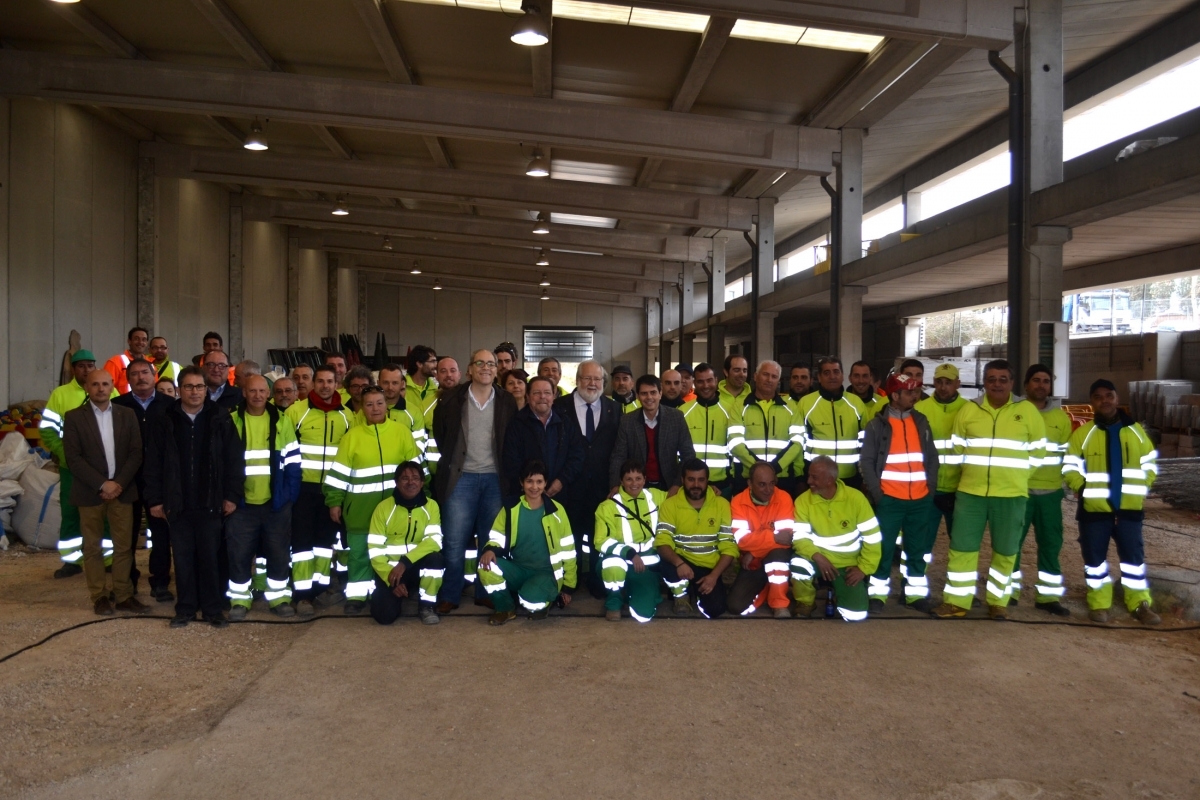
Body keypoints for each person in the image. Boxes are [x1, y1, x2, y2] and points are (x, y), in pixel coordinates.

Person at [933, 360, 1046, 620]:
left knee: (1006, 551)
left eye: (1003, 379)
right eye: (992, 379)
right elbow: (957, 448)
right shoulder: (969, 411)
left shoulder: (1026, 411)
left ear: (1011, 383)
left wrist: (1017, 476)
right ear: (984, 382)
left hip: (1011, 495)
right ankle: (956, 602)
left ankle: (998, 602)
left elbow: (1039, 451)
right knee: (961, 549)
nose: (997, 384)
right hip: (971, 493)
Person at [144, 366, 242, 629]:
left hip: (211, 503)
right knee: (184, 559)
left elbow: (234, 461)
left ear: (205, 390)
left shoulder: (220, 417)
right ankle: (185, 608)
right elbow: (153, 463)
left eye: (199, 387)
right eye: (189, 386)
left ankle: (212, 609)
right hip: (178, 505)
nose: (195, 391)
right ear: (179, 390)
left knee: (210, 559)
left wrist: (231, 496)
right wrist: (155, 500)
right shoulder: (166, 419)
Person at [1063, 379, 1159, 625]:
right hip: (1094, 512)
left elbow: (1149, 464)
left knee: (1133, 561)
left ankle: (1139, 604)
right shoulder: (1083, 434)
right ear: (1092, 402)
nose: (1104, 400)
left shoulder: (1137, 431)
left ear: (1117, 398)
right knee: (1095, 561)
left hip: (1129, 510)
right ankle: (1099, 604)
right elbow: (1070, 466)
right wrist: (1081, 488)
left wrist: (1141, 488)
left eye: (1109, 395)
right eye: (1098, 396)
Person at [432, 350, 516, 613]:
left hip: (494, 479)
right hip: (461, 479)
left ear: (496, 370)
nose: (486, 368)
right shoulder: (451, 399)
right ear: (469, 369)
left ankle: (484, 591)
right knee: (455, 541)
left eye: (491, 364)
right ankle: (450, 593)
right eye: (480, 363)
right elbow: (441, 435)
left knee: (490, 541)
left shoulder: (506, 400)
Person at [324, 386, 419, 615]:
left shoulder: (401, 432)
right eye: (369, 404)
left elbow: (416, 470)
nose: (375, 408)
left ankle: (394, 589)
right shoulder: (351, 438)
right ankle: (356, 596)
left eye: (379, 403)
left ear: (387, 405)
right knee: (359, 554)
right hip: (360, 510)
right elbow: (338, 474)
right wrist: (335, 501)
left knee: (394, 551)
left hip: (394, 510)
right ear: (361, 409)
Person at [63, 370, 146, 616]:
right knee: (92, 548)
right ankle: (99, 597)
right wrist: (102, 484)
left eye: (105, 384)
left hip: (122, 491)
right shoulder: (74, 417)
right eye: (95, 384)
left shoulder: (127, 414)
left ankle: (123, 596)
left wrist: (118, 483)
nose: (101, 388)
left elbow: (136, 453)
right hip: (90, 493)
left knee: (123, 547)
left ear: (112, 387)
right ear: (87, 387)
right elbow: (73, 458)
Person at [859, 374, 940, 613]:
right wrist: (879, 494)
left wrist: (929, 489)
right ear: (894, 396)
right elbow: (866, 461)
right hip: (889, 500)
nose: (915, 396)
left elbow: (932, 458)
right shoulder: (876, 425)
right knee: (882, 550)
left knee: (917, 549)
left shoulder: (921, 420)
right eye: (909, 392)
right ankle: (877, 596)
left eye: (916, 391)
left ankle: (914, 596)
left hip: (919, 499)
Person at [226, 375, 301, 620]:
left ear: (268, 394)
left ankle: (279, 597)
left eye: (262, 391)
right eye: (252, 391)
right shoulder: (232, 420)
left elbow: (292, 463)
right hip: (241, 504)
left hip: (275, 504)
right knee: (239, 554)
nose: (258, 395)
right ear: (244, 393)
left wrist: (288, 496)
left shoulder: (281, 420)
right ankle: (239, 599)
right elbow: (223, 463)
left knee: (278, 552)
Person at [286, 364, 353, 615]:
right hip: (304, 489)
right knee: (302, 542)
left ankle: (320, 588)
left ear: (337, 384)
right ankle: (302, 595)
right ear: (314, 384)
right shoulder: (296, 412)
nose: (326, 386)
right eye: (321, 381)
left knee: (325, 543)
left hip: (331, 490)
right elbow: (287, 452)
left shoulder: (347, 416)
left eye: (330, 381)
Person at [479, 460, 577, 625]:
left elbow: (569, 551)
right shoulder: (511, 508)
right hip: (518, 569)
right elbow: (497, 536)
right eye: (529, 481)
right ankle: (505, 608)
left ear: (546, 483)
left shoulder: (557, 511)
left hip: (546, 574)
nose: (534, 487)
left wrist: (568, 587)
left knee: (530, 601)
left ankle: (544, 600)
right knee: (486, 567)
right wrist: (490, 550)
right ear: (521, 483)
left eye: (539, 482)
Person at [553, 360, 620, 596]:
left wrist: (615, 482)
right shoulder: (559, 407)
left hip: (602, 487)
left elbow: (618, 450)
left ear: (603, 382)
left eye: (597, 379)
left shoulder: (615, 409)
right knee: (569, 536)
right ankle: (570, 581)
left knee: (597, 536)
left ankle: (596, 579)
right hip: (569, 486)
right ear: (577, 380)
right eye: (587, 378)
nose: (592, 383)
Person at [40, 349, 109, 577]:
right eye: (81, 366)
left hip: (104, 468)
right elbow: (48, 431)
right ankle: (72, 561)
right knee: (71, 513)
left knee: (107, 512)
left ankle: (108, 560)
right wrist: (67, 455)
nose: (87, 370)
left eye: (90, 365)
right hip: (72, 469)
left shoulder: (110, 389)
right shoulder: (60, 395)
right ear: (73, 369)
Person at [790, 456, 882, 622]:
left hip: (848, 565)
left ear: (830, 480)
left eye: (815, 477)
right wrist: (818, 557)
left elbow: (873, 538)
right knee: (798, 564)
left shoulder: (856, 499)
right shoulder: (803, 501)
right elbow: (799, 538)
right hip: (818, 560)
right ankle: (805, 603)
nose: (809, 481)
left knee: (855, 616)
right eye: (809, 476)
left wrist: (863, 569)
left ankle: (842, 592)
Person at [1012, 364, 1071, 615]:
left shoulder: (1061, 418)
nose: (1041, 385)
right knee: (1011, 545)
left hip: (1050, 493)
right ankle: (1008, 593)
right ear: (1026, 385)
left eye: (1045, 381)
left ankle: (1048, 597)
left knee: (1050, 545)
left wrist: (1066, 485)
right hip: (1019, 491)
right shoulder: (1014, 413)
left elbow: (1068, 455)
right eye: (1036, 380)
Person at [113, 358, 174, 601]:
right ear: (128, 380)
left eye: (145, 373)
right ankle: (127, 583)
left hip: (159, 483)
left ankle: (160, 583)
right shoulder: (117, 406)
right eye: (135, 374)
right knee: (125, 536)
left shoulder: (170, 406)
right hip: (127, 480)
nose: (140, 377)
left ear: (154, 376)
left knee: (161, 536)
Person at [654, 458, 735, 618]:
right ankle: (681, 594)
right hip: (680, 563)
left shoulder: (722, 504)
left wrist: (714, 577)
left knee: (715, 610)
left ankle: (696, 592)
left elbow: (729, 547)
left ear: (707, 481)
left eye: (701, 480)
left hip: (708, 567)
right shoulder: (670, 505)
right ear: (683, 480)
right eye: (691, 479)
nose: (696, 485)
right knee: (665, 564)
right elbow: (662, 542)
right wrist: (679, 563)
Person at [367, 461, 444, 626]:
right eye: (405, 478)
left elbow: (434, 541)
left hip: (416, 566)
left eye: (416, 478)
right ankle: (402, 593)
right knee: (384, 617)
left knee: (436, 559)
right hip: (392, 571)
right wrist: (391, 580)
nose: (411, 482)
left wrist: (405, 562)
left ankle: (427, 606)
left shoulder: (431, 506)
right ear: (396, 482)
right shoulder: (383, 508)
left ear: (422, 482)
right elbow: (375, 551)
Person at [595, 459, 665, 622]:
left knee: (644, 615)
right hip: (619, 560)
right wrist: (630, 554)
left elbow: (682, 497)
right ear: (621, 481)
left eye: (638, 478)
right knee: (613, 566)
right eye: (629, 479)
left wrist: (710, 490)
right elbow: (601, 541)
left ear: (645, 479)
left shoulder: (655, 496)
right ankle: (614, 601)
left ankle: (632, 591)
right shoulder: (607, 506)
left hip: (645, 565)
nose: (634, 483)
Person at [728, 462, 798, 618]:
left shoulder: (784, 498)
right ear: (750, 484)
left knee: (778, 556)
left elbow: (786, 540)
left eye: (772, 483)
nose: (768, 490)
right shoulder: (738, 502)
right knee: (735, 606)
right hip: (752, 564)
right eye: (762, 485)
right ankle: (767, 586)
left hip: (772, 557)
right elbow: (742, 541)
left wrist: (753, 551)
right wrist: (772, 536)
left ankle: (779, 604)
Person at [609, 375, 695, 493]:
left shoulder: (676, 417)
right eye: (644, 393)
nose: (649, 397)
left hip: (670, 486)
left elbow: (688, 454)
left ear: (660, 393)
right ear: (638, 396)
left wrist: (677, 484)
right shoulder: (627, 421)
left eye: (653, 392)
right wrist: (615, 485)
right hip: (636, 488)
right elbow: (619, 456)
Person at [502, 376, 584, 500]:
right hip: (525, 496)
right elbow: (511, 460)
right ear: (528, 397)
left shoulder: (566, 422)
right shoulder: (516, 424)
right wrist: (532, 485)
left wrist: (561, 480)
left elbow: (577, 455)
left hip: (560, 493)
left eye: (547, 393)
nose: (542, 397)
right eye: (536, 393)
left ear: (554, 396)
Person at [913, 364, 968, 541]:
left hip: (960, 488)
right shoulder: (920, 410)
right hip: (929, 487)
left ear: (957, 383)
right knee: (922, 540)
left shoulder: (969, 410)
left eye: (948, 382)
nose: (943, 387)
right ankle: (917, 569)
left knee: (961, 542)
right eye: (939, 382)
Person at [796, 356, 868, 489]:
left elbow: (866, 443)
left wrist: (864, 476)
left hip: (850, 477)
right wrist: (801, 477)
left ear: (843, 376)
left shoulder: (856, 403)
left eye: (836, 372)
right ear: (819, 377)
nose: (832, 376)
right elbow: (799, 444)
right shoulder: (806, 403)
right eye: (827, 373)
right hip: (817, 477)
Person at [735, 360, 801, 495]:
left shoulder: (791, 407)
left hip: (782, 477)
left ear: (779, 380)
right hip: (748, 477)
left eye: (774, 376)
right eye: (765, 374)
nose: (769, 379)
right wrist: (760, 470)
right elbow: (735, 443)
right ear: (755, 376)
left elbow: (798, 442)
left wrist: (775, 468)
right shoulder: (739, 406)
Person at [679, 362, 741, 496]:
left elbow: (737, 448)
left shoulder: (731, 410)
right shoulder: (683, 412)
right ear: (694, 383)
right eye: (700, 382)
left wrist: (731, 480)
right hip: (690, 485)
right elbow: (676, 451)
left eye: (709, 380)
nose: (706, 386)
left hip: (723, 484)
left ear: (717, 381)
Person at [378, 363, 429, 471]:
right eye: (385, 383)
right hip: (375, 470)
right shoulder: (367, 411)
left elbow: (418, 447)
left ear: (402, 384)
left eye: (395, 383)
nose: (390, 387)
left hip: (404, 473)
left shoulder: (414, 412)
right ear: (378, 383)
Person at [104, 326, 151, 395]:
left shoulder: (151, 364)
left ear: (147, 343)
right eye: (136, 339)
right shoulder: (115, 362)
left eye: (144, 340)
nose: (140, 342)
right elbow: (106, 387)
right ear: (129, 341)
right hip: (122, 404)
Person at [406, 345, 440, 423]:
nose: (436, 365)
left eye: (436, 361)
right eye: (432, 361)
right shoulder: (402, 387)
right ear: (419, 364)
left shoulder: (436, 389)